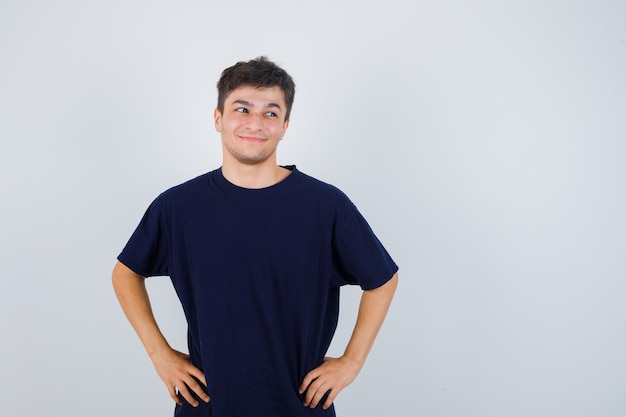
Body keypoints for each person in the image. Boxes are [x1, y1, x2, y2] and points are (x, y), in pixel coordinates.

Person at [112, 56, 399, 417]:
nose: (255, 123)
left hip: (299, 405)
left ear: (285, 126)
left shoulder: (326, 207)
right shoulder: (178, 207)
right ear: (218, 119)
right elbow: (125, 273)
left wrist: (352, 362)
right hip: (208, 405)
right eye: (242, 109)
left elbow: (383, 279)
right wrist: (160, 355)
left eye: (270, 113)